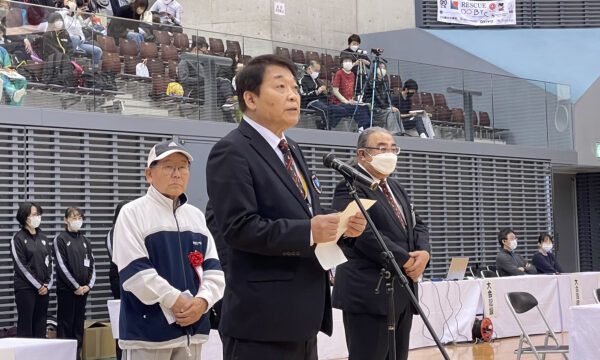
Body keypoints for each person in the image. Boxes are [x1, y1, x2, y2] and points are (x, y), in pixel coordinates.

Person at [205, 54, 367, 360]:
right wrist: (309, 230)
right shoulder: (231, 151)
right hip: (262, 321)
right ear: (250, 98)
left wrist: (341, 231)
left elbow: (307, 218)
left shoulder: (291, 149)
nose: (293, 95)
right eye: (280, 87)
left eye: (294, 87)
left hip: (303, 317)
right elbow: (239, 228)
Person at [113, 139, 225, 359]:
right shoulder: (132, 213)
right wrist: (176, 300)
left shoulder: (196, 217)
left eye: (183, 167)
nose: (177, 173)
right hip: (147, 335)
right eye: (168, 166)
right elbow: (134, 274)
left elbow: (214, 271)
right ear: (149, 174)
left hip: (192, 334)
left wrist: (202, 302)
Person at [331, 127, 430, 360]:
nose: (390, 154)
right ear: (362, 154)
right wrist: (406, 260)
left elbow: (418, 223)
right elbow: (364, 235)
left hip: (402, 291)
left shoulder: (395, 187)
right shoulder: (350, 186)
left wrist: (423, 252)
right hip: (369, 293)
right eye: (382, 148)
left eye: (393, 148)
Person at [54, 206, 96, 360]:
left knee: (78, 326)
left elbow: (92, 265)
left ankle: (77, 355)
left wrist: (88, 286)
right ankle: (64, 356)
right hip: (67, 291)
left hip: (83, 292)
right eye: (73, 217)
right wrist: (75, 286)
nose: (77, 221)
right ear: (65, 220)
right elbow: (61, 265)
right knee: (65, 325)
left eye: (79, 218)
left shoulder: (85, 240)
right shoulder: (61, 239)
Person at [11, 202, 53, 338]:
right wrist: (38, 285)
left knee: (40, 325)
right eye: (34, 214)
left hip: (44, 289)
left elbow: (49, 262)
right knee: (26, 326)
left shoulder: (44, 238)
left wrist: (47, 283)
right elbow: (21, 265)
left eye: (39, 214)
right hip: (26, 289)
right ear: (25, 217)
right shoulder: (17, 238)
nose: (38, 217)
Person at [106, 200, 129, 360]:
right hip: (119, 277)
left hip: (133, 278)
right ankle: (120, 354)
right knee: (120, 318)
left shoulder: (133, 230)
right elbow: (115, 255)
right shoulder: (112, 232)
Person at [330, 53, 371, 131]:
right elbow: (335, 90)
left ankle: (364, 128)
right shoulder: (339, 73)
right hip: (339, 102)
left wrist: (352, 100)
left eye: (349, 61)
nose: (348, 62)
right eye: (346, 61)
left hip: (349, 101)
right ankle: (361, 129)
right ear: (342, 63)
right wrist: (345, 101)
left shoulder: (352, 74)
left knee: (365, 107)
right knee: (357, 109)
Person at [58, 0, 103, 68]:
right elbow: (65, 28)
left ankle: (94, 70)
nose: (71, 2)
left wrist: (80, 38)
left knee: (98, 51)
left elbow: (81, 34)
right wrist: (76, 16)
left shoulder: (75, 17)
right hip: (66, 42)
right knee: (75, 38)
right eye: (68, 0)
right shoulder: (60, 13)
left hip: (79, 44)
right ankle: (66, 64)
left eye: (73, 1)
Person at [362, 62, 403, 135]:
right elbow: (377, 97)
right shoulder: (371, 82)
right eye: (381, 68)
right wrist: (387, 107)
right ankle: (392, 133)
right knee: (391, 112)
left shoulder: (385, 83)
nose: (383, 70)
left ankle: (400, 132)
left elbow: (388, 97)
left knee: (396, 111)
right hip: (375, 109)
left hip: (383, 107)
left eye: (384, 68)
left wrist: (391, 106)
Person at [299, 59, 333, 130]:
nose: (317, 73)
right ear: (309, 69)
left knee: (336, 108)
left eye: (318, 71)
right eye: (316, 70)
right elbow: (303, 95)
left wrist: (325, 92)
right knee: (325, 109)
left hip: (320, 101)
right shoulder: (302, 80)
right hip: (310, 103)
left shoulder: (316, 80)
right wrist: (317, 91)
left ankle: (324, 125)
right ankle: (327, 129)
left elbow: (320, 93)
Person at [0, 41, 27, 105]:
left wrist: (11, 71)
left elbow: (6, 67)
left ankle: (17, 97)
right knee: (2, 81)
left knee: (21, 79)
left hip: (2, 73)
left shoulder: (3, 51)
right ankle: (14, 93)